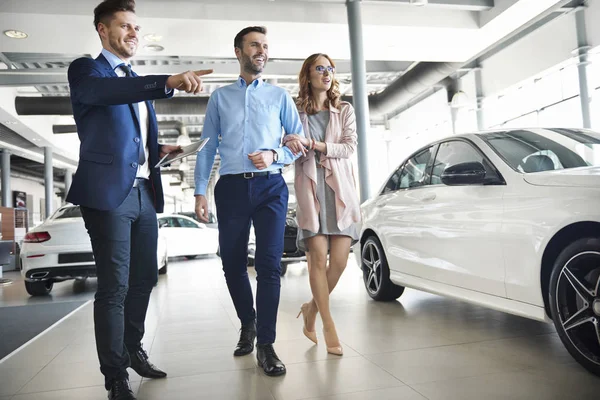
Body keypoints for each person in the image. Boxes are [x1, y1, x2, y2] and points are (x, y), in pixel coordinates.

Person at [66, 1, 212, 399]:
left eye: (136, 27)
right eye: (125, 26)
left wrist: (160, 149)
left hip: (145, 192)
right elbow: (103, 94)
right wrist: (167, 81)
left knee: (145, 279)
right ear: (102, 29)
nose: (134, 33)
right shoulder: (87, 70)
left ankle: (132, 350)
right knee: (114, 287)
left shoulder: (132, 77)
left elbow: (133, 137)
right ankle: (115, 375)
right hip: (109, 195)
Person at [194, 26, 305, 377]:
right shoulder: (220, 98)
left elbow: (298, 142)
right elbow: (207, 146)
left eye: (265, 46)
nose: (261, 51)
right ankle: (248, 323)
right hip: (230, 188)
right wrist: (199, 190)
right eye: (254, 45)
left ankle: (267, 345)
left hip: (271, 188)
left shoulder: (279, 97)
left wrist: (275, 154)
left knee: (270, 266)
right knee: (231, 263)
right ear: (239, 51)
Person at [284, 53, 361, 356]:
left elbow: (350, 146)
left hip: (340, 188)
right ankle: (328, 325)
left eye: (330, 69)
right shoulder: (296, 111)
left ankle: (311, 308)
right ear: (308, 74)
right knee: (317, 261)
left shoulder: (344, 109)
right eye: (320, 68)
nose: (327, 73)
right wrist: (291, 140)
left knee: (339, 261)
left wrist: (317, 145)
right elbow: (287, 143)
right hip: (309, 187)